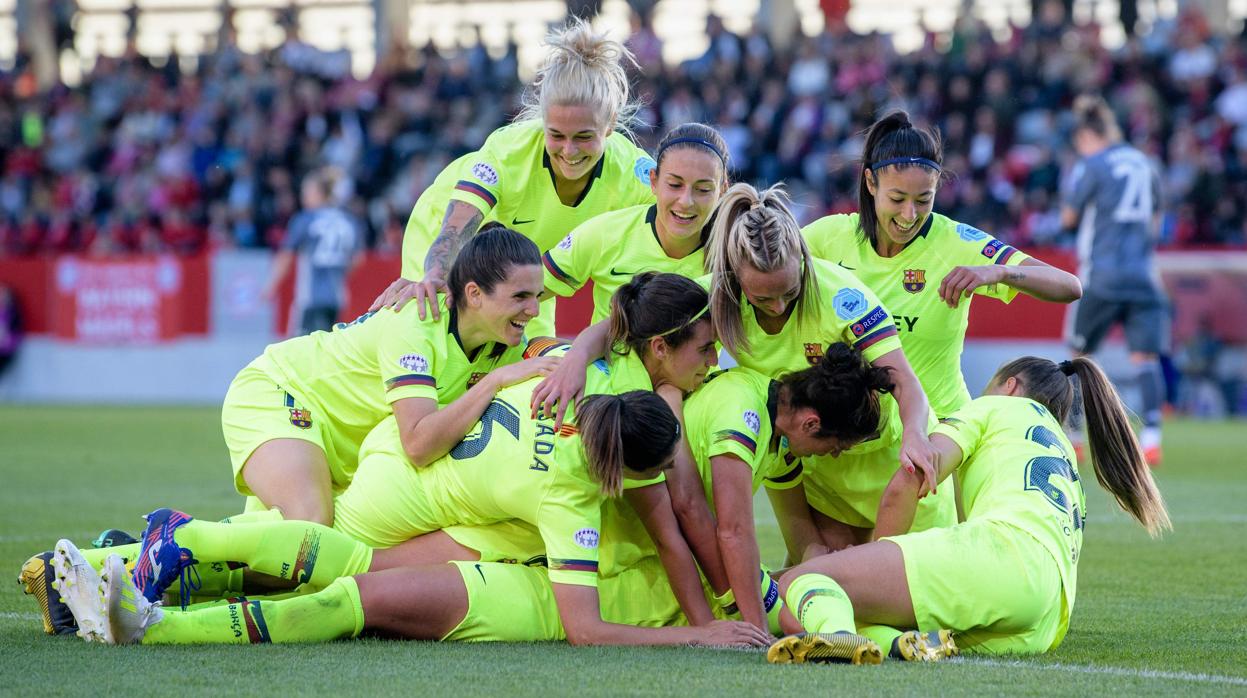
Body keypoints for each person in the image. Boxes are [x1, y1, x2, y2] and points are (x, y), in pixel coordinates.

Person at [52, 392, 771, 649]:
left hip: (410, 464)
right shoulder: (569, 498)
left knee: (349, 580)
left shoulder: (561, 382)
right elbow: (584, 627)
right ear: (629, 471)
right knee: (349, 586)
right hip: (474, 550)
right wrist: (698, 634)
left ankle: (147, 557)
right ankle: (158, 598)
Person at [766, 355, 1170, 665]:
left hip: (1001, 555)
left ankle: (840, 638)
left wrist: (877, 559)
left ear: (1009, 386)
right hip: (1045, 613)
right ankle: (894, 642)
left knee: (801, 583)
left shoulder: (993, 408)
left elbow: (912, 473)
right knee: (839, 608)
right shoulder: (1063, 450)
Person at [371, 18, 657, 337]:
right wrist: (436, 273)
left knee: (530, 363)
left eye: (584, 136)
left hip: (527, 266)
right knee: (442, 337)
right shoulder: (509, 150)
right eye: (556, 135)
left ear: (610, 124)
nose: (569, 150)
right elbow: (455, 229)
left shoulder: (636, 174)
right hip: (448, 233)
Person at [802, 111, 1082, 420]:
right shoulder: (829, 237)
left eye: (924, 200)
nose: (909, 215)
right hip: (853, 434)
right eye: (897, 199)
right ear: (870, 183)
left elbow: (1069, 286)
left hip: (935, 434)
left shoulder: (956, 241)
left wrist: (999, 271)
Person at [705, 182, 937, 484]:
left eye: (790, 292)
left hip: (886, 455)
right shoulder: (716, 295)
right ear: (734, 276)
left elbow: (903, 379)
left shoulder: (844, 298)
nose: (777, 307)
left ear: (802, 260)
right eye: (761, 299)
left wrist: (915, 435)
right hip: (806, 456)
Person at [670, 344, 896, 634]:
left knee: (816, 596)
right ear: (811, 424)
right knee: (803, 618)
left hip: (692, 560)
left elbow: (799, 541)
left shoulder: (779, 430)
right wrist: (759, 631)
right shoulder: (742, 412)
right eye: (837, 446)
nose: (835, 455)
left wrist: (819, 565)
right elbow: (733, 533)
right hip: (660, 579)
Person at [1060, 95, 1168, 465]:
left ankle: (1074, 437)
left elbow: (1069, 219)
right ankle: (1151, 439)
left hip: (1102, 276)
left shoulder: (1094, 164)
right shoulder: (1146, 163)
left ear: (1088, 135)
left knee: (1079, 355)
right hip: (1142, 276)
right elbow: (1156, 223)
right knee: (1146, 358)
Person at [541, 123, 729, 323]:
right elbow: (521, 294)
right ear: (653, 182)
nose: (686, 201)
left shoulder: (734, 254)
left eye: (703, 190)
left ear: (723, 190)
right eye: (674, 185)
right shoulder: (606, 233)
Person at [262, 166, 364, 335]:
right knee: (326, 349)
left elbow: (286, 256)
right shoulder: (348, 220)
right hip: (337, 298)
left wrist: (270, 287)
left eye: (306, 190)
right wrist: (336, 273)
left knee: (300, 351)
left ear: (319, 193)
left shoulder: (306, 219)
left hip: (310, 298)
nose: (303, 196)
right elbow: (358, 259)